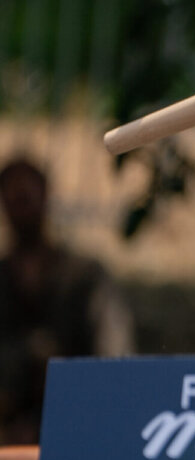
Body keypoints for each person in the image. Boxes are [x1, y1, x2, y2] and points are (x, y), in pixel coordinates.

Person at [0, 158, 133, 444]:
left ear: (47, 195)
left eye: (27, 197)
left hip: (78, 416)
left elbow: (115, 355)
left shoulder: (86, 278)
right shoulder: (4, 279)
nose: (22, 207)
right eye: (14, 199)